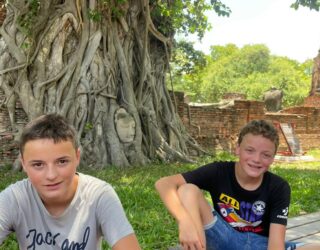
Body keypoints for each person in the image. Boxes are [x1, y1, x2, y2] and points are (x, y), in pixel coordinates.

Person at [155, 119, 320, 250]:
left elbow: (275, 245)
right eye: (250, 150)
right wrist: (185, 222)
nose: (256, 159)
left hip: (260, 245)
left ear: (273, 157)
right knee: (187, 189)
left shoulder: (279, 187)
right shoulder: (218, 171)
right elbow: (164, 183)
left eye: (266, 154)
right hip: (223, 237)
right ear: (238, 149)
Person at [0, 114, 141, 250]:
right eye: (38, 164)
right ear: (23, 164)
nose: (51, 175)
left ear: (77, 157)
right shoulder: (15, 198)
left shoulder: (98, 195)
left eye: (62, 162)